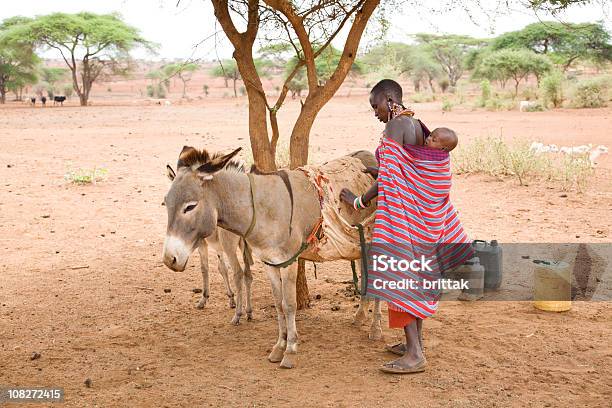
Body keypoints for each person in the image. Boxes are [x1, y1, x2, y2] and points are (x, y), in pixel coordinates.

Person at [340, 79, 472, 374]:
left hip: (404, 218)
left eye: (375, 105)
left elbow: (391, 176)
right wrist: (383, 168)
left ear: (388, 99)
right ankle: (416, 343)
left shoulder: (394, 126)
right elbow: (409, 168)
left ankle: (414, 354)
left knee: (398, 276)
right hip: (422, 218)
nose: (374, 112)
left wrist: (359, 201)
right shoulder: (415, 124)